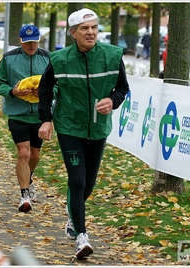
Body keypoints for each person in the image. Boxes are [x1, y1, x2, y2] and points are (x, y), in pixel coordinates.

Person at [37, 8, 129, 259]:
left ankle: (72, 215)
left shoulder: (112, 56)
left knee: (88, 183)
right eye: (85, 29)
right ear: (73, 33)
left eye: (94, 28)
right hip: (69, 126)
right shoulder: (59, 59)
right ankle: (81, 236)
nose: (90, 32)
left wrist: (112, 100)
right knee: (77, 180)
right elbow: (45, 91)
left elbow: (122, 87)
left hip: (98, 127)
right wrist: (46, 120)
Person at [0, 25, 50, 213]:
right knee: (23, 152)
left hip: (40, 114)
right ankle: (24, 195)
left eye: (34, 41)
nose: (31, 45)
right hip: (18, 113)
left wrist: (46, 93)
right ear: (19, 41)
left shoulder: (49, 59)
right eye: (27, 42)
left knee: (34, 155)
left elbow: (58, 85)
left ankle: (29, 177)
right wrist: (12, 91)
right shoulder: (9, 59)